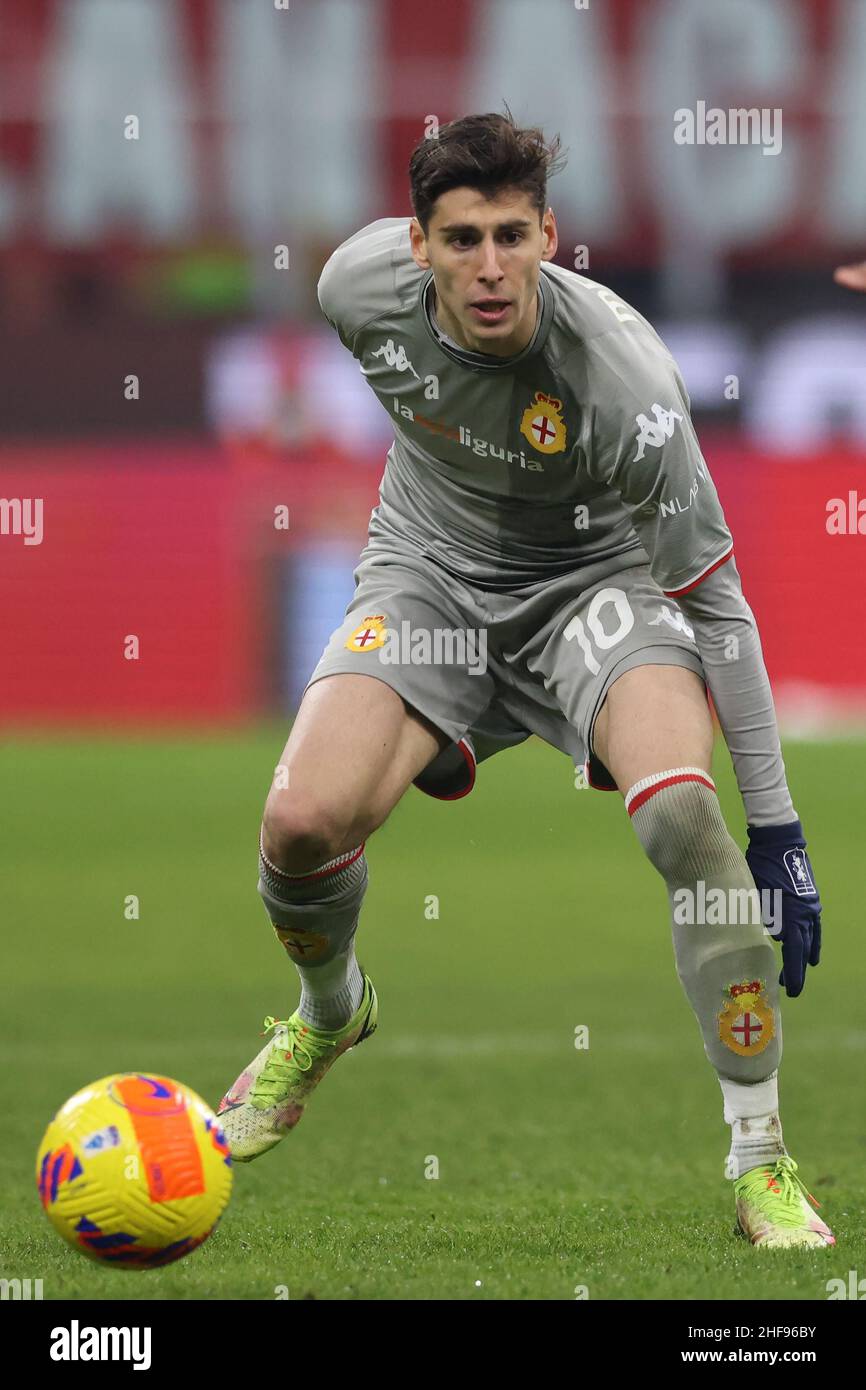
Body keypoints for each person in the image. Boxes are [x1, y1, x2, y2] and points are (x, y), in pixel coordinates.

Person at [217, 110, 832, 1249]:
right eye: (460, 239)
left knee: (685, 818)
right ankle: (328, 1013)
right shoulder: (355, 292)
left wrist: (778, 828)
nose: (488, 267)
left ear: (548, 235)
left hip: (594, 587)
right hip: (428, 575)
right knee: (299, 821)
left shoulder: (624, 380)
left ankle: (760, 1161)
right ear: (417, 246)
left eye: (511, 235)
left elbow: (720, 606)